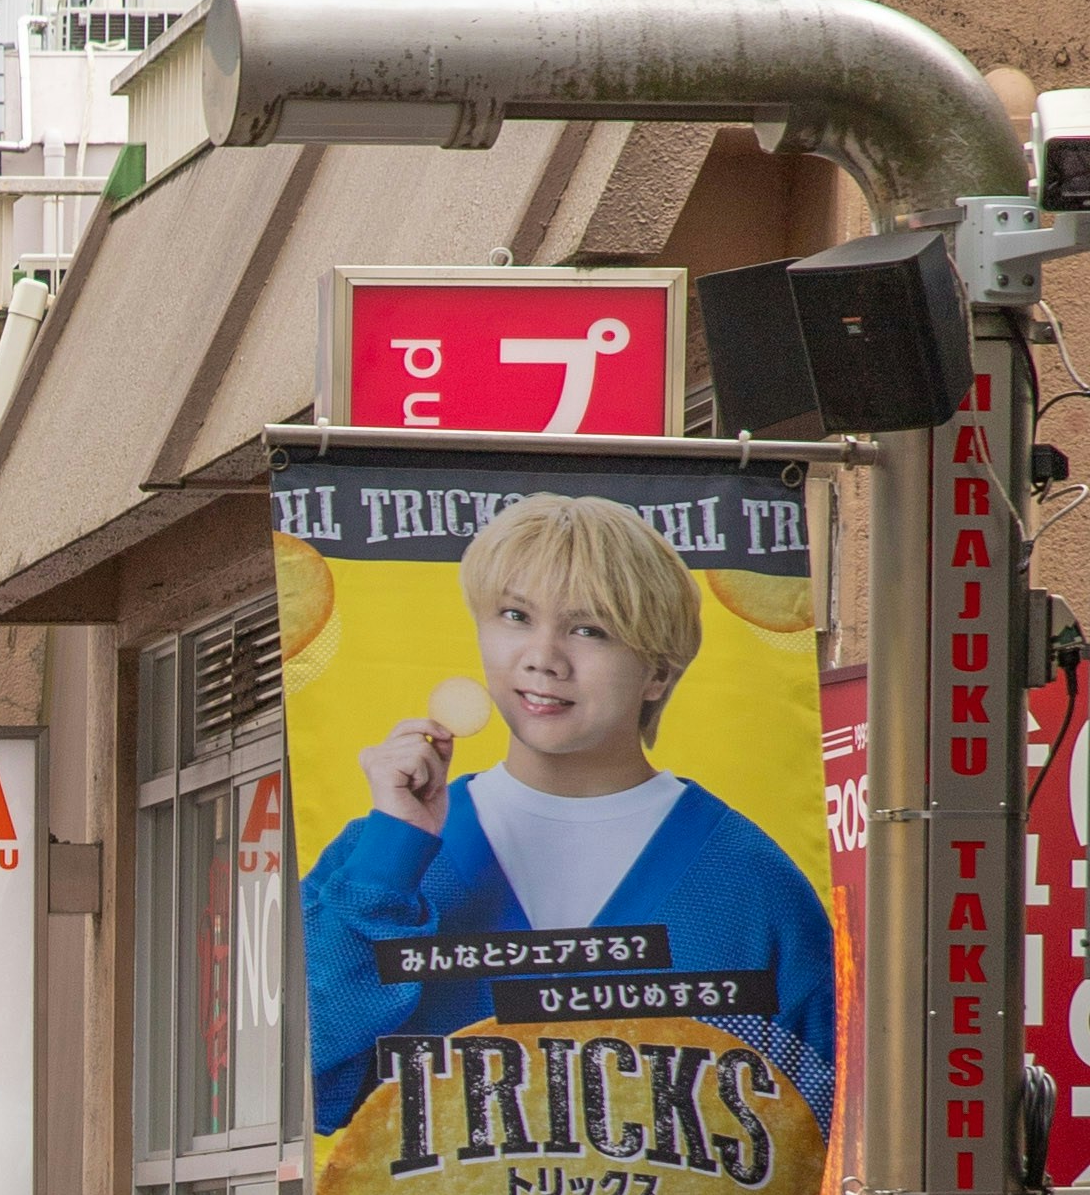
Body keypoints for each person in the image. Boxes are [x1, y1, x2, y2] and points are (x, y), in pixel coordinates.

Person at [297, 480, 838, 1144]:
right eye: (515, 616)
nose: (542, 659)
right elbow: (314, 1080)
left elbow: (817, 1142)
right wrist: (392, 856)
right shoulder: (378, 860)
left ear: (658, 673)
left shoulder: (755, 887)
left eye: (589, 630)